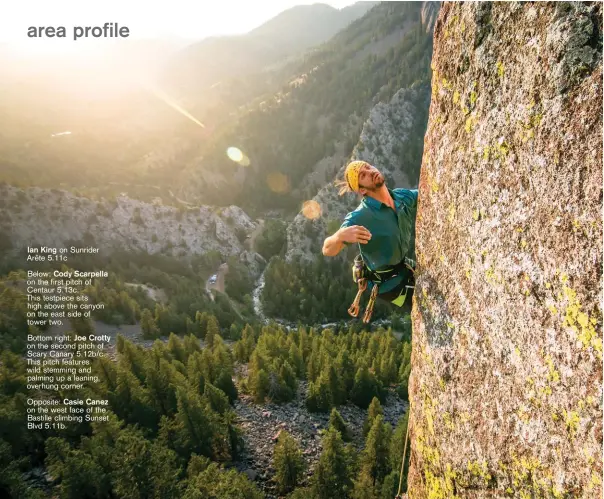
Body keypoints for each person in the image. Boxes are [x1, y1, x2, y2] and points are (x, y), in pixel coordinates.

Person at [322, 160, 418, 315]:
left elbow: (427, 193)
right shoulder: (361, 216)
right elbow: (327, 249)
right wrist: (339, 236)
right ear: (362, 190)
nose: (370, 171)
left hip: (404, 265)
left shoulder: (401, 197)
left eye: (368, 167)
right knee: (429, 304)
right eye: (363, 175)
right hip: (389, 286)